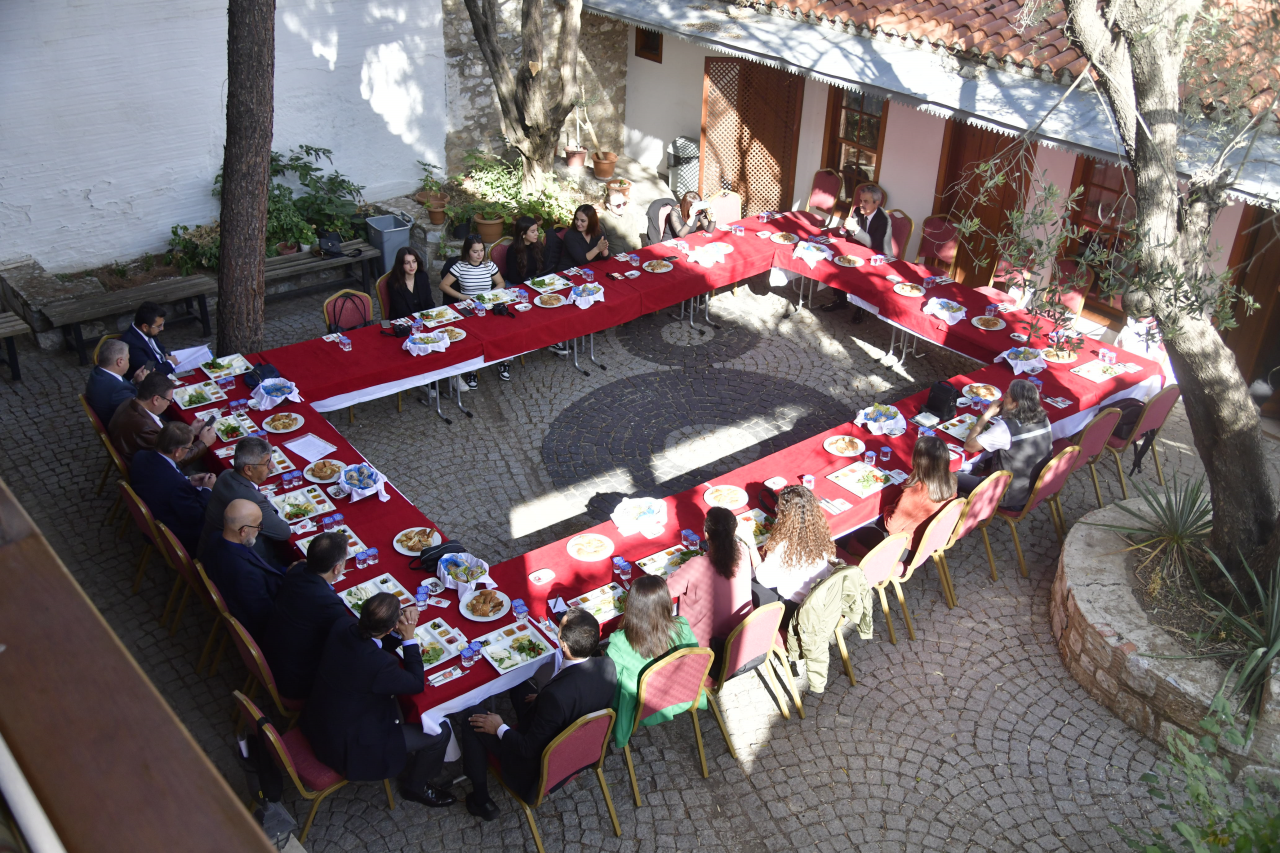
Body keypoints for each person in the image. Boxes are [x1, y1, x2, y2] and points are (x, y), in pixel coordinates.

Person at [456, 607, 615, 820]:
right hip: (571, 735)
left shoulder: (555, 697)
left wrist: (500, 727)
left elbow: (527, 749)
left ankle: (481, 800)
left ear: (564, 645)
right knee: (521, 687)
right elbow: (577, 697)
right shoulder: (608, 665)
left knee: (471, 717)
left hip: (533, 768)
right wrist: (543, 702)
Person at [302, 594, 455, 809]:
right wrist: (409, 638)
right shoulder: (380, 665)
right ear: (390, 627)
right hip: (349, 745)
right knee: (441, 732)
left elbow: (373, 642)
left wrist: (395, 628)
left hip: (321, 717)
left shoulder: (343, 624)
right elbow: (415, 683)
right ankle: (416, 787)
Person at [606, 575, 702, 749]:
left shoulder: (619, 643)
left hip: (642, 710)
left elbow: (611, 689)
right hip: (680, 695)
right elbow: (694, 661)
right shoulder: (682, 625)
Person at [262, 530, 355, 702]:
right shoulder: (329, 605)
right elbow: (350, 639)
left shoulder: (297, 569)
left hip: (271, 653)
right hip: (295, 679)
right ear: (337, 568)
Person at [847, 435, 958, 556]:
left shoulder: (916, 492)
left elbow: (892, 527)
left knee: (852, 526)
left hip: (904, 548)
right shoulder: (951, 479)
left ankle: (845, 555)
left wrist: (889, 507)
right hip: (927, 541)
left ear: (918, 461)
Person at [665, 506, 758, 649]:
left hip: (705, 643)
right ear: (733, 532)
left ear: (707, 534)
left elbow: (666, 591)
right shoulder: (743, 551)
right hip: (742, 635)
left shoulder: (697, 565)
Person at [957, 378, 1053, 510]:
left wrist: (988, 414)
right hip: (1033, 488)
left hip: (1007, 495)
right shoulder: (1043, 418)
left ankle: (952, 516)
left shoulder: (1006, 428)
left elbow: (969, 446)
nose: (1002, 399)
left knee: (950, 476)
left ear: (1015, 404)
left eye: (1006, 396)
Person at [198, 437, 291, 569]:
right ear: (248, 469)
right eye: (266, 462)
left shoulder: (226, 474)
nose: (272, 466)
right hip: (235, 565)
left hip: (211, 551)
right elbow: (283, 532)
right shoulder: (251, 498)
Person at [752, 485, 836, 624]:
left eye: (779, 509)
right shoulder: (817, 531)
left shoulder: (783, 544)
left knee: (744, 579)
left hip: (794, 612)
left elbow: (765, 579)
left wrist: (751, 545)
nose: (777, 511)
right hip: (818, 602)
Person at [206, 499, 288, 641]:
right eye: (258, 526)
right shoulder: (246, 573)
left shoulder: (214, 538)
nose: (259, 529)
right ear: (243, 531)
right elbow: (264, 615)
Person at [129, 422, 215, 553]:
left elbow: (166, 482)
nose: (189, 451)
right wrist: (207, 489)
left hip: (157, 506)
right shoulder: (177, 485)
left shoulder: (140, 456)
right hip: (178, 534)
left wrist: (188, 480)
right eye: (189, 448)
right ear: (177, 451)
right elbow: (196, 516)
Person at [439, 234, 511, 386]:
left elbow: (501, 283)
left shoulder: (489, 265)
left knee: (503, 329)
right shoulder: (460, 266)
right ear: (467, 252)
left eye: (481, 251)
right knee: (471, 338)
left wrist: (491, 294)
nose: (479, 255)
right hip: (469, 307)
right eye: (475, 251)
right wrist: (462, 296)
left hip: (488, 306)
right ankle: (471, 371)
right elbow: (443, 285)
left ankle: (503, 361)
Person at [108, 372, 213, 465]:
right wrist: (203, 443)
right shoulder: (146, 428)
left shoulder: (129, 402)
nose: (169, 404)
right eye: (169, 401)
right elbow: (175, 458)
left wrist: (191, 431)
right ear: (156, 399)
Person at [823, 184, 891, 318]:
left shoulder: (884, 219)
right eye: (860, 200)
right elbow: (844, 234)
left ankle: (862, 308)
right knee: (837, 261)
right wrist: (844, 228)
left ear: (876, 203)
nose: (861, 204)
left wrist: (856, 230)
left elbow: (875, 244)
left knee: (861, 273)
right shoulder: (857, 211)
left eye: (866, 201)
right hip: (860, 250)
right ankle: (841, 300)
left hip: (880, 256)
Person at [84, 337, 150, 425]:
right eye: (128, 359)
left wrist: (135, 381)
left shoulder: (97, 371)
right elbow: (144, 408)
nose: (128, 362)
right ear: (120, 362)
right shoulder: (117, 392)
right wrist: (143, 384)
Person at [120, 301, 178, 379]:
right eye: (159, 326)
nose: (162, 328)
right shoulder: (132, 345)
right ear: (145, 327)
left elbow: (160, 351)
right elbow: (150, 371)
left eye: (162, 324)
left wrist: (167, 357)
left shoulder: (147, 332)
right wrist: (171, 363)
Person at [385, 246, 435, 321]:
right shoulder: (394, 282)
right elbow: (401, 311)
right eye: (407, 263)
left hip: (424, 319)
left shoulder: (422, 276)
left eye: (414, 261)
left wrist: (429, 318)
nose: (412, 266)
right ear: (401, 265)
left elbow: (429, 302)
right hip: (404, 321)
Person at [505, 217, 547, 284]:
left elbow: (544, 267)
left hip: (534, 281)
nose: (537, 234)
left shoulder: (538, 245)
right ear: (523, 234)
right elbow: (513, 277)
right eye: (533, 232)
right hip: (517, 284)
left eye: (537, 230)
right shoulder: (513, 250)